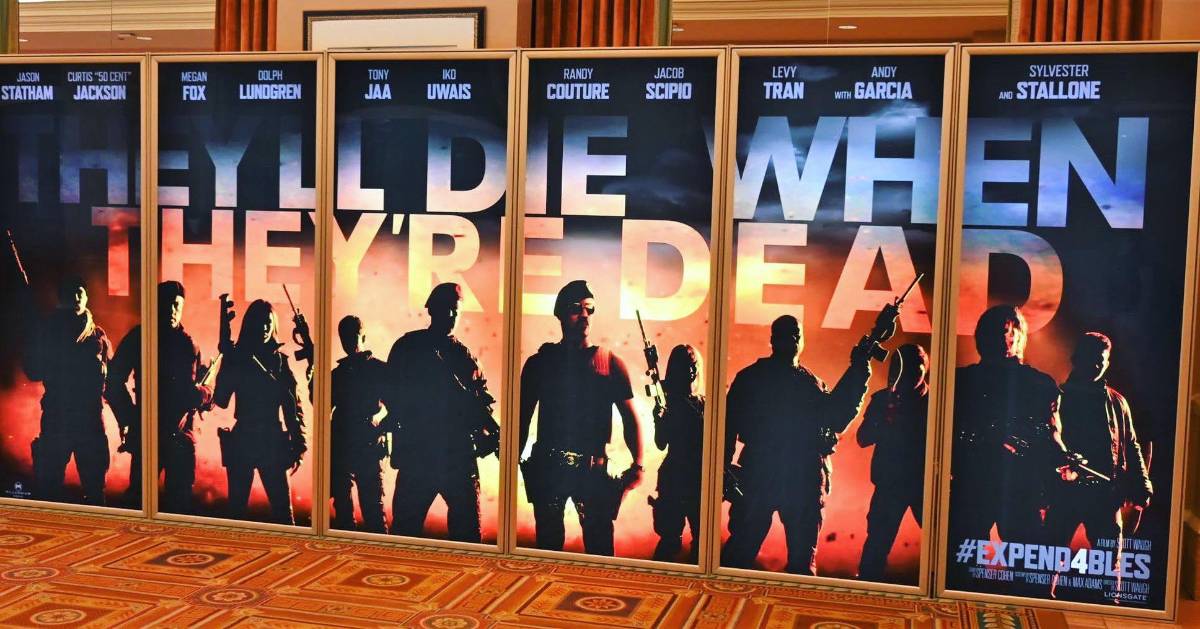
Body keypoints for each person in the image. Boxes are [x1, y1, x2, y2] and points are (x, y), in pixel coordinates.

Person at [722, 314, 870, 575]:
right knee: (741, 553)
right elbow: (728, 426)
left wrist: (858, 371)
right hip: (767, 472)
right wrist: (723, 470)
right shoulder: (756, 379)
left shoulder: (808, 383)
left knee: (799, 562)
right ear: (773, 340)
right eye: (787, 334)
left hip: (794, 475)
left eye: (796, 334)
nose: (792, 339)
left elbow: (836, 419)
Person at [518, 280, 644, 556]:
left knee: (600, 550)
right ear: (560, 313)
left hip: (592, 472)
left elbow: (630, 418)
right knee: (548, 550)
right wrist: (512, 457)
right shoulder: (540, 363)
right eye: (576, 308)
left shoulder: (609, 362)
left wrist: (638, 464)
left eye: (589, 308)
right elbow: (522, 417)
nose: (584, 315)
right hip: (549, 468)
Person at [950, 305, 1068, 551]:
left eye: (1003, 331)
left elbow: (1052, 437)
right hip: (978, 484)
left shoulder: (1039, 384)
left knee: (1021, 563)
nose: (996, 338)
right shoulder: (960, 381)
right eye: (991, 331)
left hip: (1014, 486)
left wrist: (1060, 466)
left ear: (1018, 335)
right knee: (967, 561)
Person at [386, 283, 498, 542]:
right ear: (431, 310)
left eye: (455, 310)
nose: (450, 315)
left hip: (456, 456)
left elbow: (482, 404)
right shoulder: (408, 347)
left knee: (468, 537)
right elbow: (390, 392)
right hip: (419, 454)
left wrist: (485, 432)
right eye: (445, 308)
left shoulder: (466, 358)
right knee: (404, 537)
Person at [106, 281, 214, 513]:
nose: (173, 310)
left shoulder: (191, 345)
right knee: (139, 502)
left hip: (181, 438)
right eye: (168, 304)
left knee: (179, 506)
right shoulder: (140, 337)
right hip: (149, 435)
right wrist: (131, 417)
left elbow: (208, 392)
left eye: (177, 305)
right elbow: (113, 381)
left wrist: (202, 395)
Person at [1045, 332, 1153, 548]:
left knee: (1108, 561)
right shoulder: (1057, 397)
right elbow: (1047, 443)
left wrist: (1143, 485)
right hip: (1066, 493)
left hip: (1105, 496)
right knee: (1050, 557)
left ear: (1107, 362)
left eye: (1100, 360)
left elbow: (1131, 445)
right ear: (1077, 358)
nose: (1096, 365)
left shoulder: (1118, 402)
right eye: (1091, 358)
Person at [213, 299, 306, 524]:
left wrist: (299, 442)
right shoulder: (239, 358)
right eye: (260, 322)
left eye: (268, 322)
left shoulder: (279, 362)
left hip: (270, 438)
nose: (264, 327)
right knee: (237, 514)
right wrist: (227, 359)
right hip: (245, 436)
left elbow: (292, 406)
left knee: (284, 516)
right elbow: (221, 400)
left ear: (273, 325)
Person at [25, 277, 111, 505]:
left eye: (80, 292)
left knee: (95, 490)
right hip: (57, 418)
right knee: (49, 488)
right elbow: (32, 371)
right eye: (70, 292)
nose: (76, 297)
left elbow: (111, 381)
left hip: (90, 421)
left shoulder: (98, 336)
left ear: (86, 297)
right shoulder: (47, 331)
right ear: (61, 298)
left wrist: (125, 420)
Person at [855, 343, 928, 581]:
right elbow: (863, 438)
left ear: (924, 369)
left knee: (945, 541)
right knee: (877, 545)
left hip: (925, 484)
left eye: (913, 368)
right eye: (901, 368)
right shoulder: (882, 400)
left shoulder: (936, 402)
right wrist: (886, 421)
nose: (906, 375)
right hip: (890, 483)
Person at [329, 315, 389, 533]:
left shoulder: (379, 369)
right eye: (343, 336)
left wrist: (379, 427)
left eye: (351, 335)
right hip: (342, 444)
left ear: (363, 337)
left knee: (373, 510)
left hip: (367, 445)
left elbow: (396, 406)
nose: (347, 341)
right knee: (343, 510)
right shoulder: (338, 374)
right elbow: (321, 403)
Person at [650, 344, 705, 562]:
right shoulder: (670, 403)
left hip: (695, 476)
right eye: (686, 366)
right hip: (675, 476)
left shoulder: (704, 403)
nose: (691, 370)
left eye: (693, 365)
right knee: (671, 540)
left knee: (700, 541)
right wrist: (659, 418)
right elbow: (661, 443)